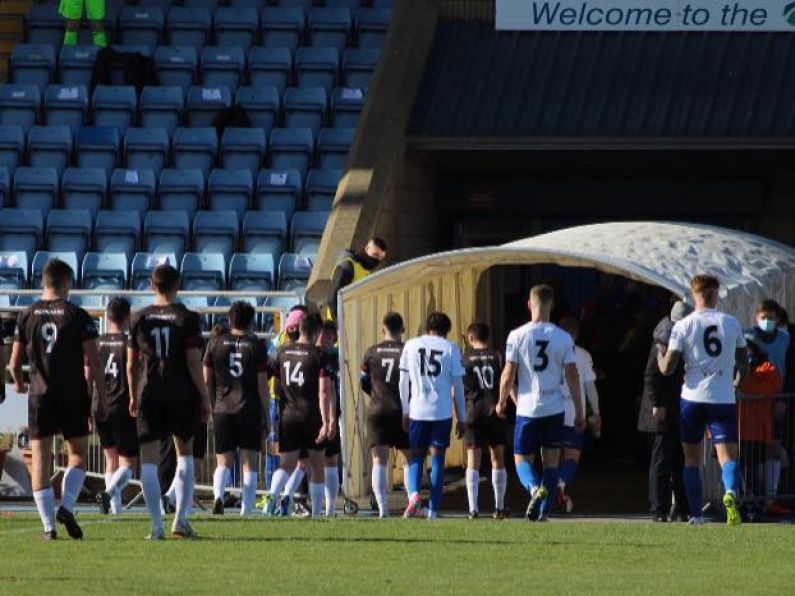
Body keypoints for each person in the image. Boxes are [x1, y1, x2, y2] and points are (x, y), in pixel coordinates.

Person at [8, 258, 107, 539]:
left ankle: (49, 528)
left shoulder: (26, 315)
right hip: (73, 393)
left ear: (43, 282)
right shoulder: (77, 315)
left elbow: (14, 363)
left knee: (40, 459)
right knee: (77, 454)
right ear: (66, 283)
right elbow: (94, 360)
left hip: (40, 393)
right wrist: (99, 391)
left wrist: (18, 383)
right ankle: (67, 506)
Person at [128, 264, 212, 540]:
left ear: (153, 286)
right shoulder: (187, 317)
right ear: (177, 285)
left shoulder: (138, 318)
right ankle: (180, 521)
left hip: (149, 393)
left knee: (149, 462)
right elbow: (192, 361)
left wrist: (132, 395)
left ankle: (156, 526)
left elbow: (131, 365)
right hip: (181, 393)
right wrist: (204, 396)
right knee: (184, 455)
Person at [658, 274, 748, 526]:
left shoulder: (684, 325)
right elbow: (744, 363)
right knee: (728, 457)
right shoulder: (731, 323)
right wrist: (736, 384)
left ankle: (696, 515)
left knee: (691, 459)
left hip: (693, 398)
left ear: (693, 294)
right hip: (722, 398)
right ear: (715, 293)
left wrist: (659, 354)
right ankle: (730, 493)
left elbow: (668, 368)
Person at [496, 284, 584, 522]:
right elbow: (573, 377)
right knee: (552, 463)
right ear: (551, 306)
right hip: (554, 408)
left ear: (529, 304)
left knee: (521, 460)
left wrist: (501, 401)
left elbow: (508, 374)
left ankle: (535, 489)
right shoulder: (563, 337)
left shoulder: (517, 335)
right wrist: (579, 411)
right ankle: (544, 513)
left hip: (527, 409)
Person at [263, 313, 337, 518]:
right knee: (316, 464)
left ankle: (273, 495)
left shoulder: (281, 351)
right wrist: (327, 421)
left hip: (288, 414)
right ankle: (316, 514)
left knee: (286, 463)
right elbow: (324, 392)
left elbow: (276, 388)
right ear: (316, 332)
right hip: (311, 414)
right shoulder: (320, 355)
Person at [204, 302, 270, 516]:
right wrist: (266, 416)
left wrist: (211, 407)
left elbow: (207, 381)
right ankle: (246, 510)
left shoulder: (215, 343)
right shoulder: (257, 345)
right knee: (249, 463)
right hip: (248, 408)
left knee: (223, 460)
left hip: (223, 408)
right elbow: (262, 385)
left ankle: (218, 497)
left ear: (230, 320)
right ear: (250, 321)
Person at [400, 311, 467, 519]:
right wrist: (462, 417)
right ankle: (433, 510)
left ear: (426, 327)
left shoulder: (410, 345)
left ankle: (413, 496)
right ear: (447, 330)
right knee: (438, 459)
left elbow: (403, 382)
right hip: (441, 410)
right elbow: (458, 386)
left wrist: (405, 410)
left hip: (418, 408)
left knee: (416, 457)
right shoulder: (451, 349)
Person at [640, 301, 692, 522]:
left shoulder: (669, 332)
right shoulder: (665, 338)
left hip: (678, 404)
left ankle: (681, 506)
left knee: (680, 459)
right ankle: (659, 509)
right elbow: (652, 374)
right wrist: (656, 403)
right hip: (665, 408)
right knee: (663, 460)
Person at [743, 300, 790, 516]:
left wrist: (781, 398)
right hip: (753, 401)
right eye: (763, 317)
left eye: (771, 317)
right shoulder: (747, 336)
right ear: (756, 317)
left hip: (776, 397)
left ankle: (770, 498)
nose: (767, 321)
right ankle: (754, 496)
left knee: (774, 447)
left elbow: (788, 367)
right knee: (752, 451)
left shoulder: (785, 338)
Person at [361, 312, 410, 518]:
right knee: (410, 459)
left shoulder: (371, 352)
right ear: (403, 329)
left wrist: (375, 394)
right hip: (402, 410)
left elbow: (363, 380)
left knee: (379, 460)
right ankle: (411, 503)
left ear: (383, 329)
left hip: (377, 410)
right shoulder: (407, 350)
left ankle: (383, 508)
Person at [93, 297, 137, 516]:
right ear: (128, 316)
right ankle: (109, 495)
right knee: (128, 464)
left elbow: (87, 374)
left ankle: (115, 511)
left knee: (110, 460)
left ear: (107, 316)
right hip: (122, 405)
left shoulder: (97, 342)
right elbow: (133, 372)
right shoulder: (129, 343)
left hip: (99, 404)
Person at [462, 322, 508, 520]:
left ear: (470, 338)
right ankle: (499, 507)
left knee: (473, 461)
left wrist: (459, 416)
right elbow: (507, 381)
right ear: (488, 338)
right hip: (495, 412)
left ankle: (473, 509)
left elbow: (458, 388)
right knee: (497, 458)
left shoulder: (464, 359)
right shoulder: (498, 356)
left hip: (473, 413)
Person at [556, 316, 601, 514]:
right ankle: (560, 485)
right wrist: (597, 412)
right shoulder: (582, 355)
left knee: (553, 456)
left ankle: (554, 493)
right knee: (572, 457)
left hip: (551, 411)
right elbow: (590, 387)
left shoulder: (551, 352)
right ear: (577, 334)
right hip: (574, 412)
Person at [326, 237, 387, 322]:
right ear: (366, 248)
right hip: (338, 326)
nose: (377, 260)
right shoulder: (348, 266)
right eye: (375, 255)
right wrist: (339, 325)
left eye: (380, 258)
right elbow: (332, 298)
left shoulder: (364, 270)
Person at [317, 320, 341, 517]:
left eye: (327, 335)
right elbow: (326, 391)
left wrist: (333, 418)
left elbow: (330, 391)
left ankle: (330, 509)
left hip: (330, 412)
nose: (323, 338)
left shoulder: (336, 357)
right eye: (321, 334)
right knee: (307, 462)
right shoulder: (315, 355)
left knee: (330, 460)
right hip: (313, 413)